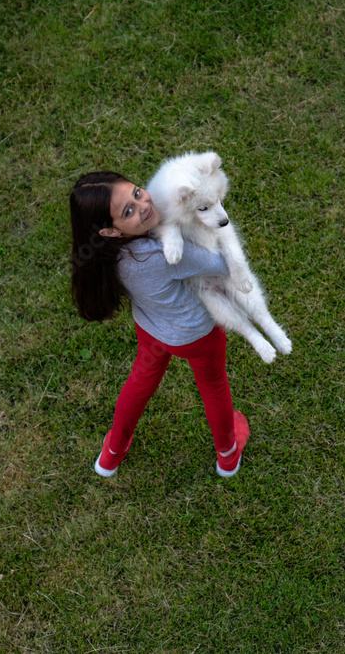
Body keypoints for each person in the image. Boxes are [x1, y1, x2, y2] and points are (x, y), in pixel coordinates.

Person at [68, 171, 250, 478]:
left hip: (152, 330)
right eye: (128, 211)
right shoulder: (165, 255)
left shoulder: (109, 255)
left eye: (137, 194)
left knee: (140, 382)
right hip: (198, 336)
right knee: (214, 385)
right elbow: (222, 266)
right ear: (111, 231)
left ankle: (112, 453)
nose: (144, 207)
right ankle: (228, 457)